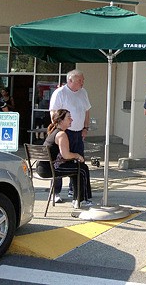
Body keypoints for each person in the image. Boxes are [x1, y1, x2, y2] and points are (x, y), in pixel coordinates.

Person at [49, 70, 91, 202]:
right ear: (70, 81)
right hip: (64, 132)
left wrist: (85, 128)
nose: (82, 82)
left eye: (83, 80)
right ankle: (56, 192)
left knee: (79, 161)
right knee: (60, 160)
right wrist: (59, 130)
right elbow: (54, 113)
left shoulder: (83, 92)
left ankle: (75, 191)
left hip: (78, 132)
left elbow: (87, 111)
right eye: (80, 80)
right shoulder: (60, 93)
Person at [39, 109, 92, 208]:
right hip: (51, 168)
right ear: (61, 120)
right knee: (82, 169)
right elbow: (66, 155)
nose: (71, 120)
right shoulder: (61, 134)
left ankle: (77, 199)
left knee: (77, 168)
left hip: (42, 168)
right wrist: (78, 156)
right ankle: (81, 200)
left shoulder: (53, 132)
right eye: (69, 118)